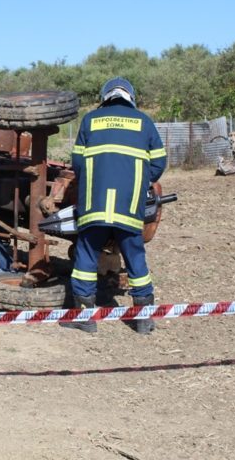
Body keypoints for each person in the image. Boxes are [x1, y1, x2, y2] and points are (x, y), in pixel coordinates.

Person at [69, 77, 167, 334]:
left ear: (105, 97)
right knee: (135, 257)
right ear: (130, 97)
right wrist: (140, 180)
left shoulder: (90, 120)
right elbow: (159, 162)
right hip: (129, 205)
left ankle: (85, 317)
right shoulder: (143, 121)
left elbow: (77, 163)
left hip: (94, 204)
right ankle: (143, 319)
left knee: (86, 255)